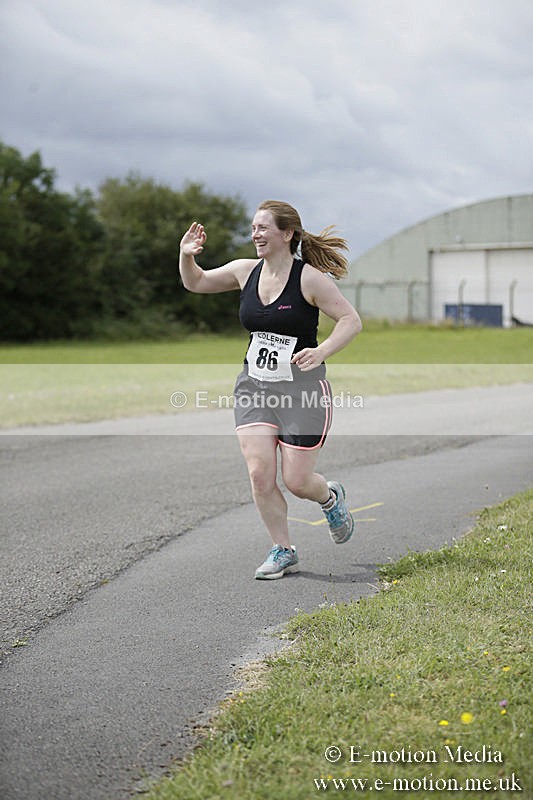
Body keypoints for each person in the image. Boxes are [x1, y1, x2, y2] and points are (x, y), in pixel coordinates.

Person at [179, 200, 362, 580]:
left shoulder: (309, 279)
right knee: (260, 473)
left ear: (287, 233)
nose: (255, 234)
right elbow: (195, 282)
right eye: (253, 228)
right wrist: (186, 256)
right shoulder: (245, 271)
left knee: (297, 482)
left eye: (263, 228)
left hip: (302, 391)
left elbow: (350, 319)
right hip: (254, 387)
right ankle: (283, 550)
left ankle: (329, 497)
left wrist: (323, 349)